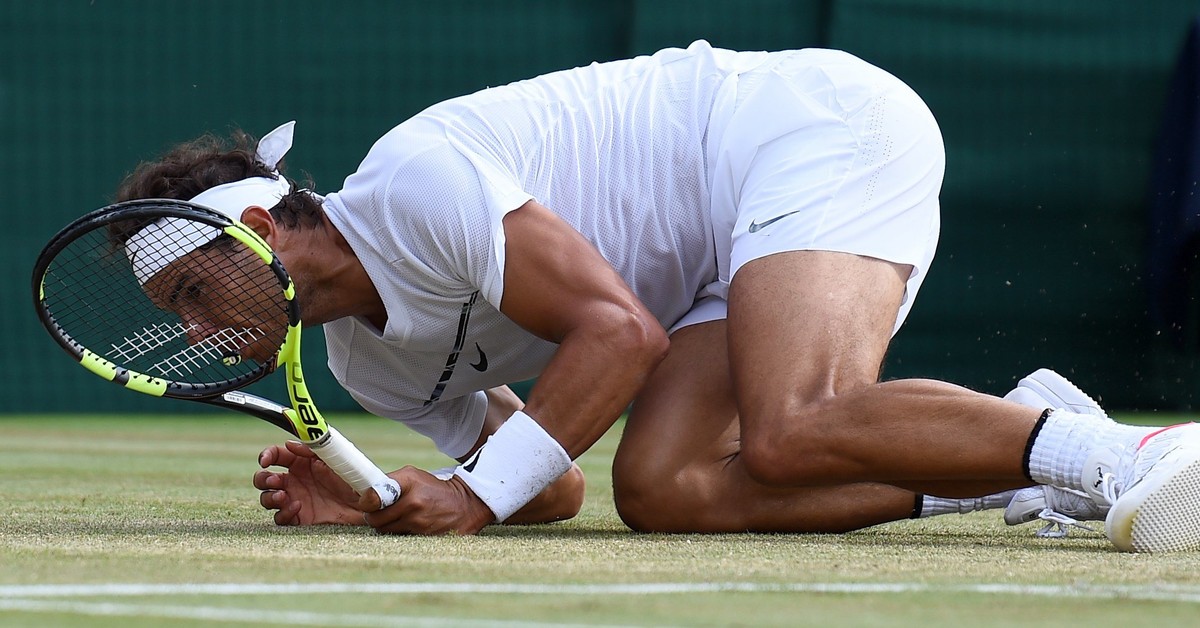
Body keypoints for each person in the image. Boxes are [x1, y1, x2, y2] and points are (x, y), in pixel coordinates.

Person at [112, 40, 1200, 551]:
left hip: (804, 130)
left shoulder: (414, 181)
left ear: (255, 227)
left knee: (792, 424)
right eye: (180, 315)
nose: (199, 331)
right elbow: (552, 487)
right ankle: (1025, 459)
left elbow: (617, 335)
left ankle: (1133, 460)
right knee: (667, 487)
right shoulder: (362, 358)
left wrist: (474, 496)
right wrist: (385, 495)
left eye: (197, 292)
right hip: (710, 269)